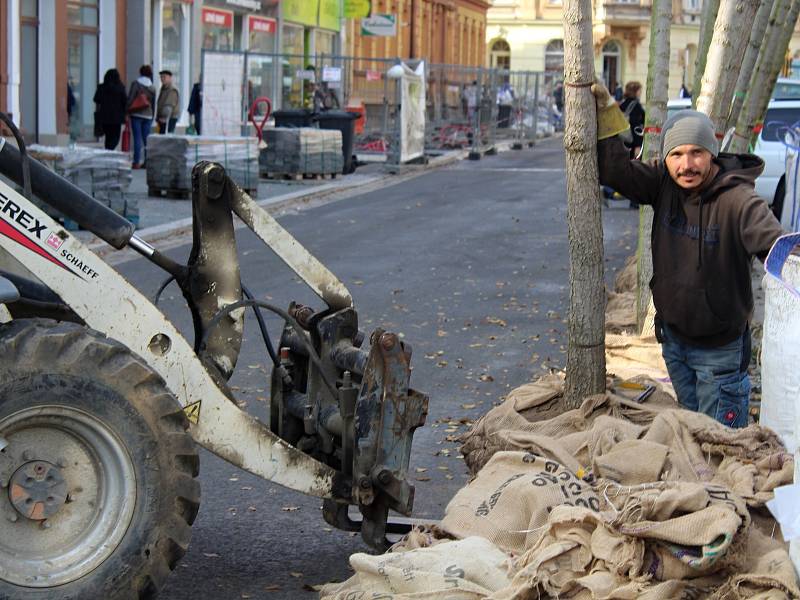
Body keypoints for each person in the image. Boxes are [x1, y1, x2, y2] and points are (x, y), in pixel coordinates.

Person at [592, 82, 785, 428]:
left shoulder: (737, 199)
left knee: (721, 443)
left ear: (712, 152)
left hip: (720, 352)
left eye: (696, 152)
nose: (687, 164)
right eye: (677, 154)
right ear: (665, 158)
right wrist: (607, 112)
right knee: (692, 433)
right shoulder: (662, 182)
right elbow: (615, 171)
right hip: (674, 343)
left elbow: (775, 244)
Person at [127, 64, 155, 169]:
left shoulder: (136, 84)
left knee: (137, 138)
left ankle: (136, 162)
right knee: (146, 139)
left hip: (136, 114)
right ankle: (148, 162)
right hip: (148, 115)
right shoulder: (152, 87)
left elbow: (130, 98)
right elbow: (153, 103)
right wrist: (153, 115)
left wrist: (127, 110)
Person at [93, 68, 127, 150]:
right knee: (115, 137)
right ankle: (110, 149)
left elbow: (96, 99)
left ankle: (108, 149)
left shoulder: (101, 87)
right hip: (116, 118)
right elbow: (125, 101)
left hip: (104, 117)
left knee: (108, 136)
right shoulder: (120, 88)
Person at [156, 69, 180, 134]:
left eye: (164, 77)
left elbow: (169, 106)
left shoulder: (172, 90)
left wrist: (164, 117)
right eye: (161, 77)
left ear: (170, 78)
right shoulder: (163, 89)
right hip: (162, 119)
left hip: (169, 118)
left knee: (166, 138)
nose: (162, 79)